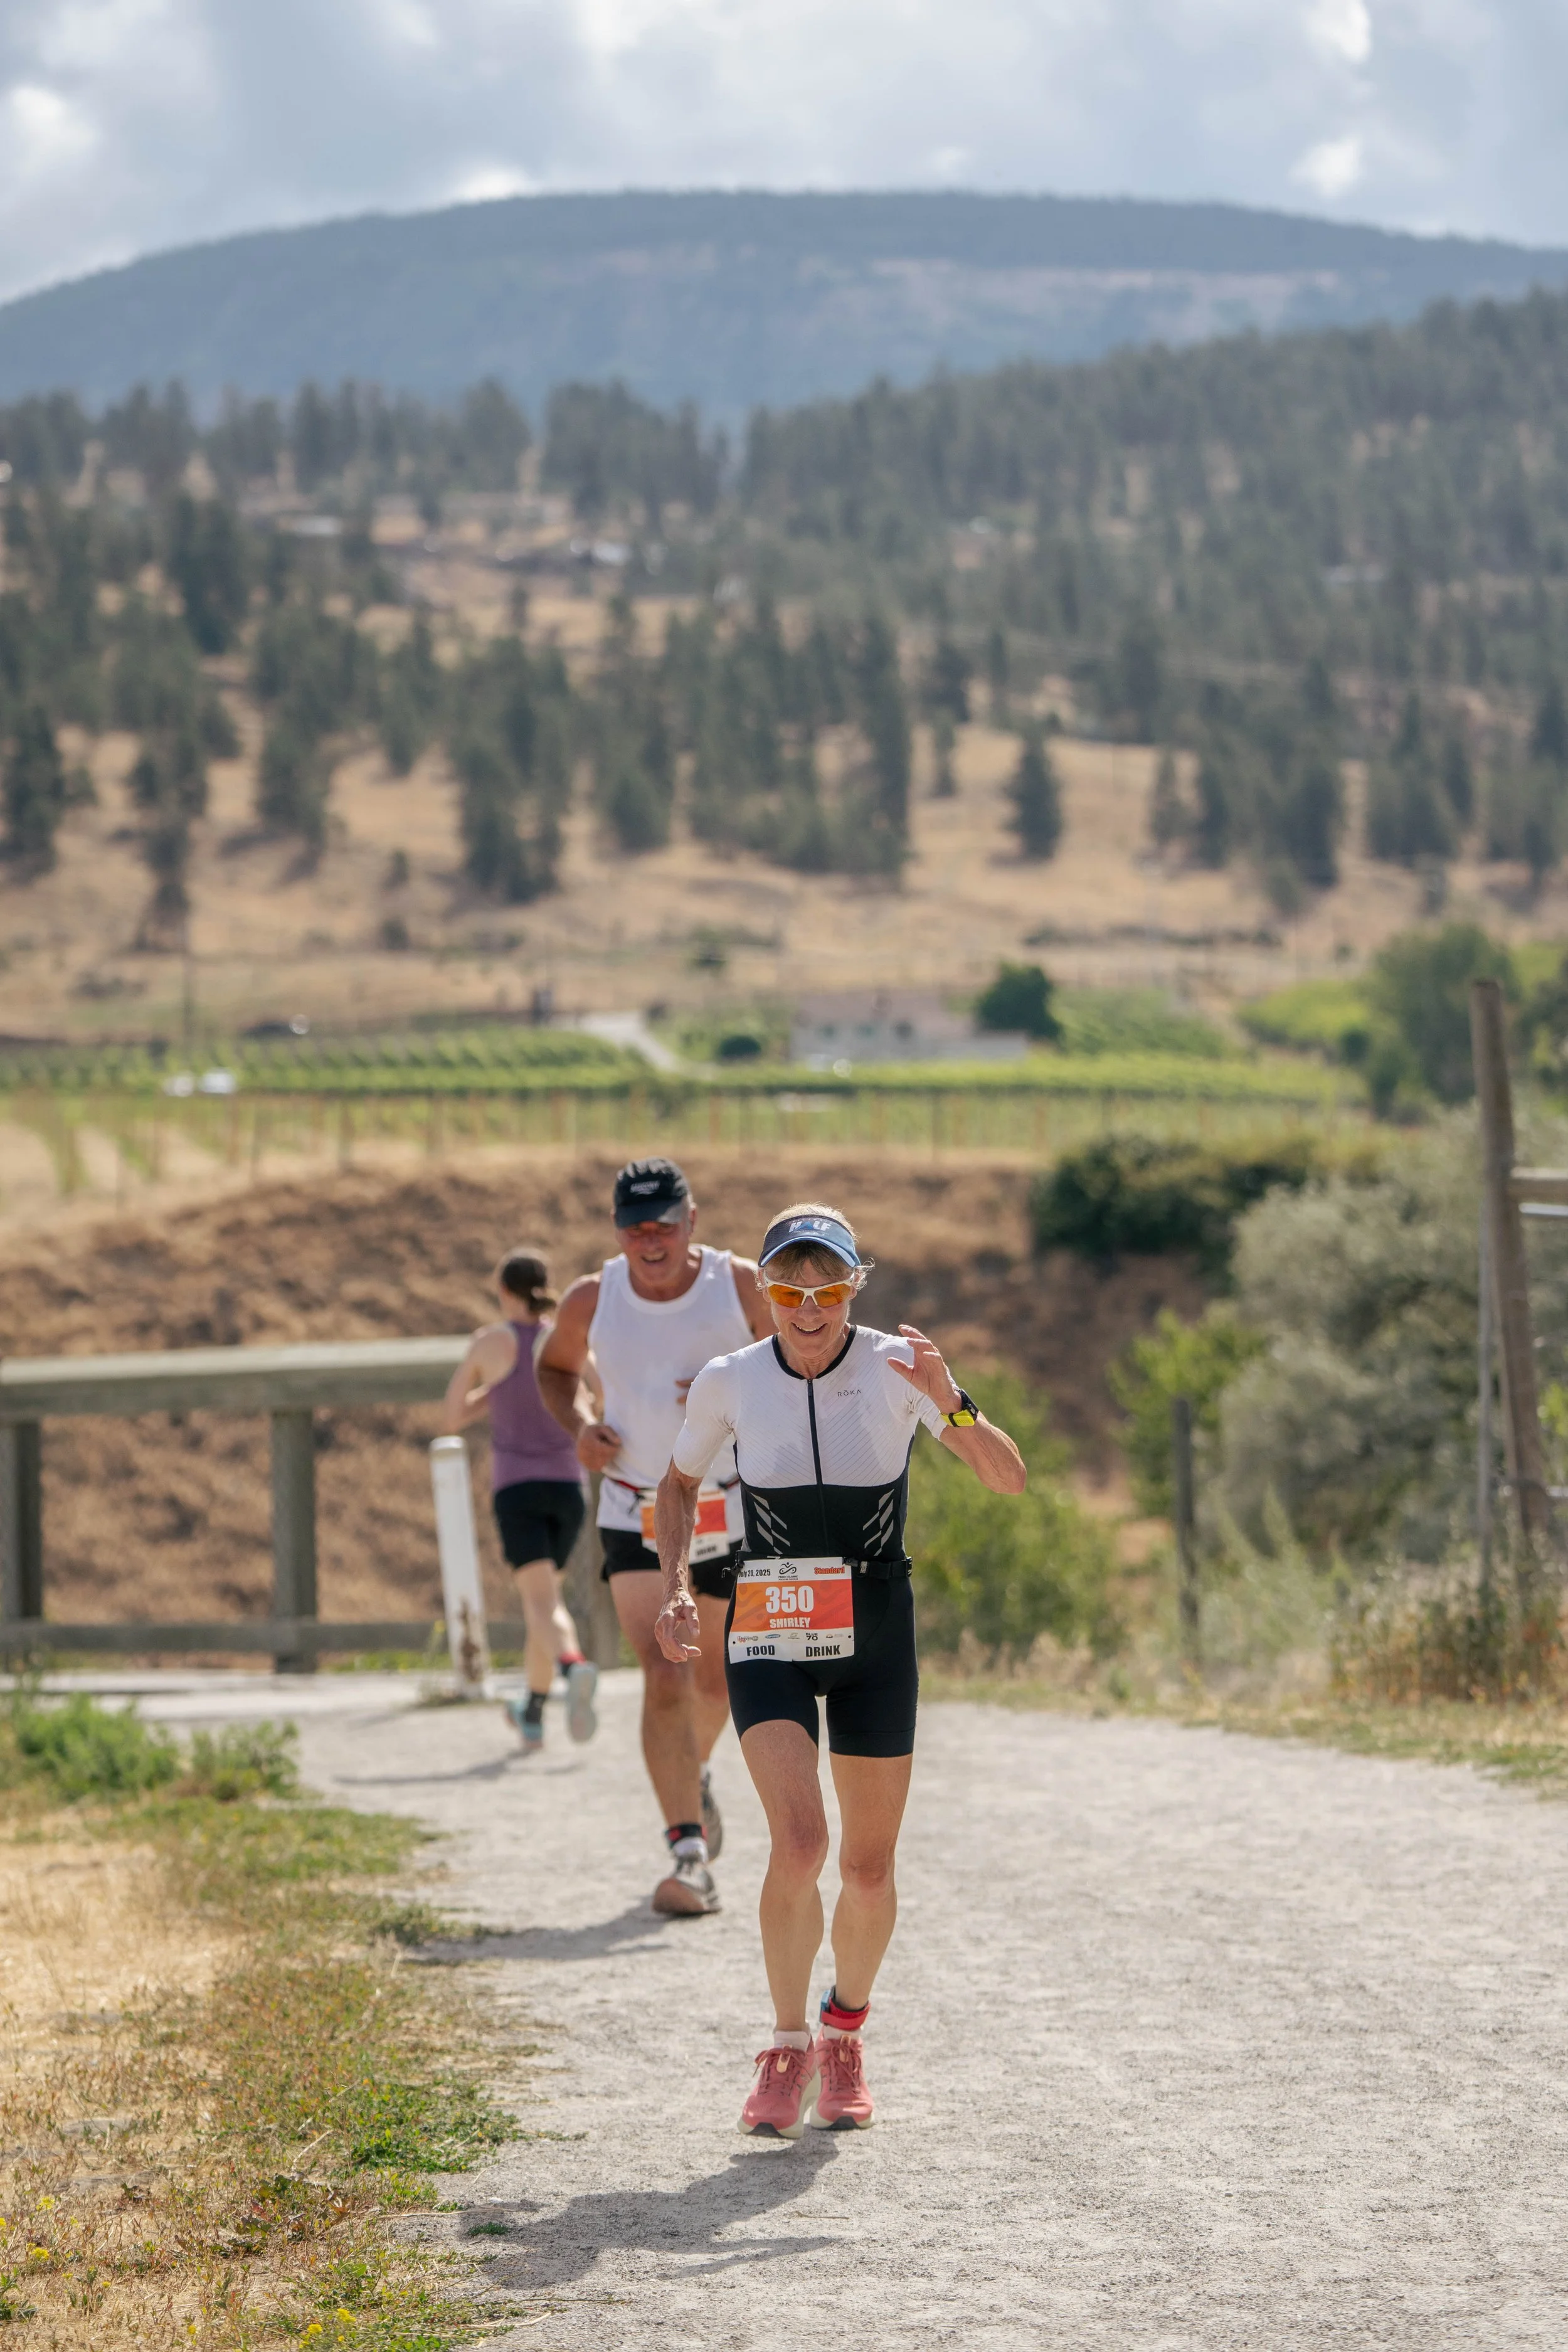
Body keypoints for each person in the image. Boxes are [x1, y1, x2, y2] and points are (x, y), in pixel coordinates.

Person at [653, 1201, 1025, 2134]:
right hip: (770, 1621)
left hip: (875, 1628)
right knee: (802, 1843)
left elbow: (1008, 1476)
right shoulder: (732, 1379)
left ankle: (843, 2030)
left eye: (826, 1288)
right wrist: (671, 1586)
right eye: (788, 1287)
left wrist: (951, 1396)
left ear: (855, 1286)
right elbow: (678, 1482)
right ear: (768, 1291)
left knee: (866, 1865)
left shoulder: (900, 1369)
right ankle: (784, 2050)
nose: (807, 1306)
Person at [537, 1157, 774, 1917]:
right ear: (617, 1230)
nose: (650, 1241)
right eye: (635, 1228)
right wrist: (580, 1427)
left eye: (663, 1226)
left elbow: (800, 1365)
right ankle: (688, 1854)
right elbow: (555, 1370)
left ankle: (691, 1774)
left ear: (691, 1222)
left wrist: (731, 1392)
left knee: (717, 1682)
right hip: (635, 1504)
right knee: (665, 1671)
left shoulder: (738, 1286)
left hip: (731, 1505)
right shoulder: (591, 1297)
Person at [441, 1248, 598, 1755]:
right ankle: (532, 1711)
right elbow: (600, 1393)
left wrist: (494, 1388)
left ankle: (573, 1667)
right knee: (544, 1600)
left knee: (541, 1602)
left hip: (518, 1489)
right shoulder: (565, 1340)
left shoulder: (489, 1342)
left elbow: (453, 1414)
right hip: (570, 1487)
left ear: (504, 1292)